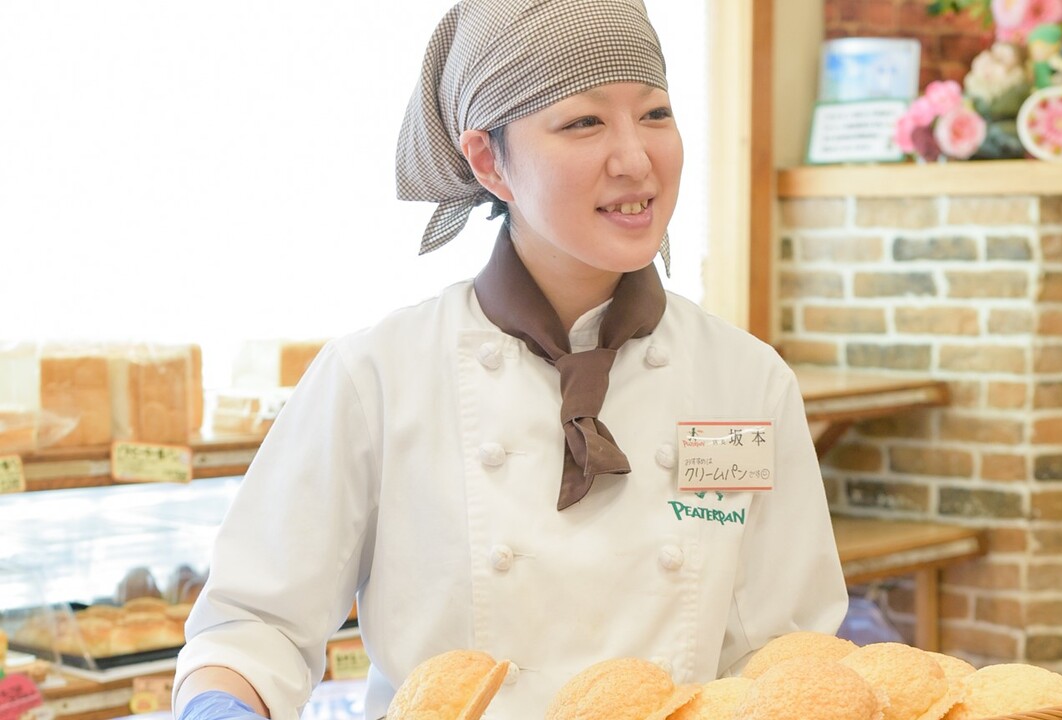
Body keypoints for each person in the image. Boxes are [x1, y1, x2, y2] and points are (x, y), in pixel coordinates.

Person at [173, 1, 847, 718]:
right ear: (488, 160)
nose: (635, 157)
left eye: (654, 114)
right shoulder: (377, 377)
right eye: (584, 122)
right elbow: (254, 628)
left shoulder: (744, 382)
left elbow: (785, 653)